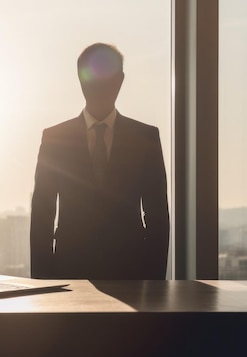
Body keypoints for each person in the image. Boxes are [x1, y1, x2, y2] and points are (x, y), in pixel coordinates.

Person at [30, 43, 169, 280]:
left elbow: (157, 216)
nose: (100, 85)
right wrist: (43, 286)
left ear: (120, 80)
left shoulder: (145, 137)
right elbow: (42, 214)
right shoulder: (55, 138)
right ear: (80, 79)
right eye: (93, 77)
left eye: (108, 77)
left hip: (131, 276)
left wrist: (155, 283)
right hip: (69, 275)